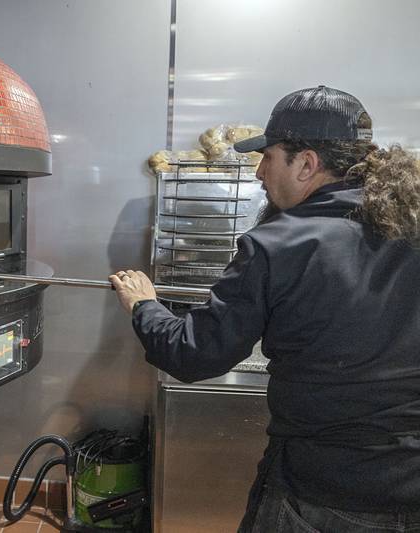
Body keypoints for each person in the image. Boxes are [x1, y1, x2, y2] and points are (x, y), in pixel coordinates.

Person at [110, 86, 420, 532]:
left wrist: (144, 306)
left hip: (322, 492)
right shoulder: (408, 224)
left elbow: (193, 354)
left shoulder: (278, 244)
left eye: (269, 157)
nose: (258, 172)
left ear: (307, 163)